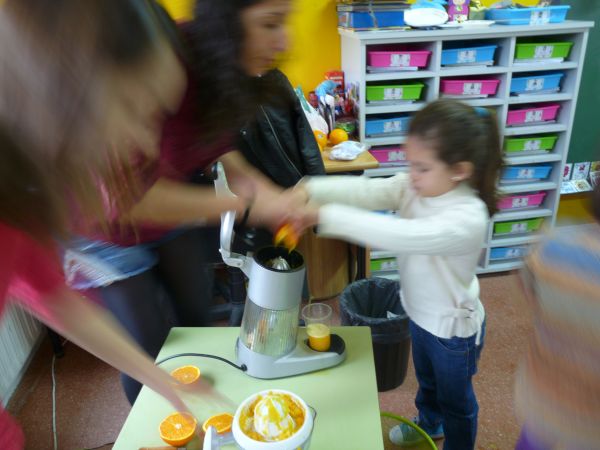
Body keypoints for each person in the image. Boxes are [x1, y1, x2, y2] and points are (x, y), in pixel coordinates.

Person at [0, 1, 217, 448]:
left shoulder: (22, 194)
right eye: (136, 109)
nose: (146, 144)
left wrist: (156, 377)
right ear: (68, 88)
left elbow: (51, 293)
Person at [63, 0, 300, 404]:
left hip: (164, 211)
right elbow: (127, 201)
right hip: (103, 229)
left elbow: (220, 150)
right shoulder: (151, 61)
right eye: (270, 23)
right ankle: (161, 425)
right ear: (228, 25)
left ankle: (202, 414)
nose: (284, 41)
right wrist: (242, 206)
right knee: (150, 354)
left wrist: (270, 195)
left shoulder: (214, 66)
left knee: (195, 323)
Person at [293, 99, 503, 449]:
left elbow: (400, 235)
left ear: (460, 170)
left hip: (452, 332)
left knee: (457, 401)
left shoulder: (467, 217)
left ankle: (457, 442)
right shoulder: (419, 184)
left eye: (421, 167)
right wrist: (309, 189)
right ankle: (430, 422)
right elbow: (367, 190)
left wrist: (321, 215)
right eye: (411, 164)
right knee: (427, 383)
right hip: (418, 314)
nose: (411, 174)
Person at [514, 184, 600, 450]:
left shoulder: (553, 243)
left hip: (543, 391)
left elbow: (527, 293)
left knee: (534, 439)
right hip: (590, 417)